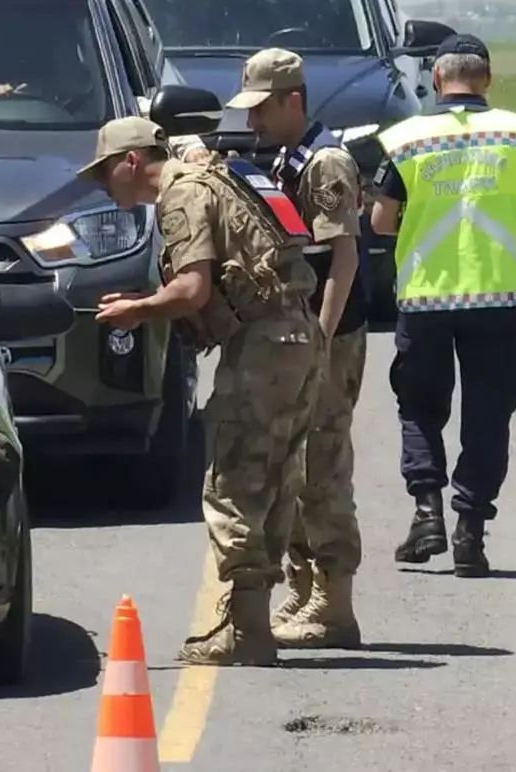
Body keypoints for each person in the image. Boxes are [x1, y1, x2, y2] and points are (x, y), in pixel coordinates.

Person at [79, 115, 324, 666]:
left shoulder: (180, 196)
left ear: (131, 162)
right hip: (296, 336)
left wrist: (136, 311)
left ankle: (246, 630)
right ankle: (252, 623)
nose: (103, 188)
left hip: (263, 348)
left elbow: (192, 290)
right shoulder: (211, 178)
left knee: (234, 482)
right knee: (275, 478)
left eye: (104, 174)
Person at [368, 33, 516, 577]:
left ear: (435, 79)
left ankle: (426, 511)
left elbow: (381, 222)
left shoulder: (407, 140)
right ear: (488, 79)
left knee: (420, 405)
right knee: (488, 411)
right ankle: (470, 530)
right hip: (498, 296)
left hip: (426, 296)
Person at [223, 47, 370, 649]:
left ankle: (334, 602)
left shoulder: (326, 163)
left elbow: (344, 257)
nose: (252, 122)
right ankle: (304, 589)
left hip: (323, 335)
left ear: (293, 101)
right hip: (297, 333)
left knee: (322, 464)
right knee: (293, 461)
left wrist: (322, 337)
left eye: (262, 109)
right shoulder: (289, 155)